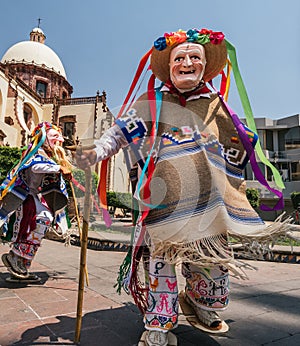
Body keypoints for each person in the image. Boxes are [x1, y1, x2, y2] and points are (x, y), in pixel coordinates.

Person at [76, 28, 287, 346]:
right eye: (179, 58)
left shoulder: (216, 104)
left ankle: (201, 303)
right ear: (170, 65)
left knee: (211, 260)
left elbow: (235, 144)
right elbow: (121, 132)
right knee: (160, 261)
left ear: (205, 66)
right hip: (162, 198)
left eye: (194, 57)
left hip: (208, 201)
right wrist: (98, 150)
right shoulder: (154, 102)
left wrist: (243, 138)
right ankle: (159, 321)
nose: (187, 62)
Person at [0, 122, 72, 281]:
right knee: (41, 220)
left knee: (45, 220)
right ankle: (15, 256)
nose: (58, 140)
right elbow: (35, 167)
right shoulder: (34, 152)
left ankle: (22, 266)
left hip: (36, 197)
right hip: (24, 196)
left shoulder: (49, 156)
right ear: (44, 138)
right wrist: (58, 169)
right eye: (54, 136)